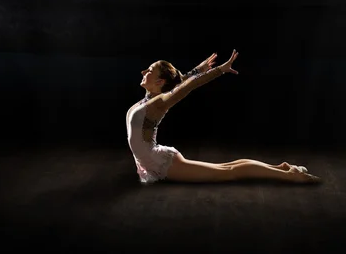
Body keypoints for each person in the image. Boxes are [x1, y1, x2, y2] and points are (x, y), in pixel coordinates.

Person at [126, 50, 321, 184]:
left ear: (159, 81)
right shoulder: (149, 100)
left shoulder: (158, 103)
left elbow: (186, 87)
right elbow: (178, 83)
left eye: (149, 71)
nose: (144, 72)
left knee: (229, 172)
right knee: (228, 167)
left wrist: (218, 70)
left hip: (161, 163)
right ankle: (281, 168)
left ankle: (291, 176)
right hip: (155, 157)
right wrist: (198, 69)